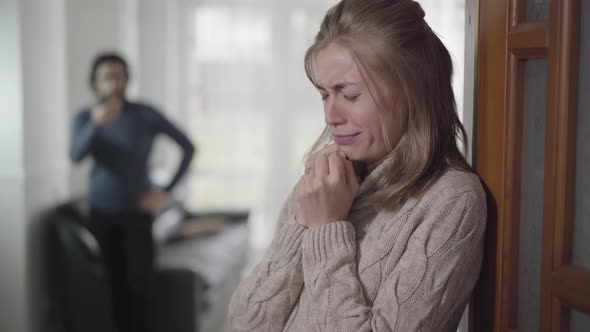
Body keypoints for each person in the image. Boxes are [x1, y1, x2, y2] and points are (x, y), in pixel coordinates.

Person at [228, 0, 487, 331]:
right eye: (324, 95)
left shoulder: (452, 202)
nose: (330, 116)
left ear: (413, 89)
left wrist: (325, 231)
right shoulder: (323, 182)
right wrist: (302, 224)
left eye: (348, 95)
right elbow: (243, 323)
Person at [69, 52, 195, 332]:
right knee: (113, 289)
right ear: (95, 83)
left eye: (119, 75)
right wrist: (97, 123)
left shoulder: (144, 114)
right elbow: (75, 155)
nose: (114, 83)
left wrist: (167, 190)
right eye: (107, 77)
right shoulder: (85, 117)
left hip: (138, 214)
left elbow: (188, 146)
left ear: (127, 79)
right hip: (100, 214)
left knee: (142, 288)